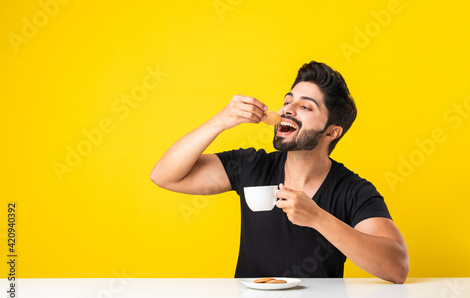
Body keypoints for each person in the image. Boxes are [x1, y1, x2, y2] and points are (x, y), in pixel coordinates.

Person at [150, 61, 409, 284]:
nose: (287, 109)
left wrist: (318, 218)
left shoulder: (353, 190)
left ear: (331, 132)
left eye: (305, 107)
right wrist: (221, 121)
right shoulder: (251, 166)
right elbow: (164, 175)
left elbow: (397, 268)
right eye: (288, 101)